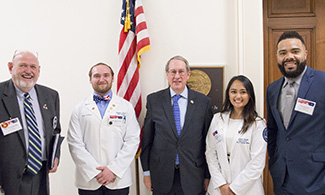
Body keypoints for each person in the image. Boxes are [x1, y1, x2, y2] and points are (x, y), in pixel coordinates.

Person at [140, 55, 213, 195]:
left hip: (193, 175)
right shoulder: (154, 100)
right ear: (167, 75)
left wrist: (207, 175)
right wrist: (146, 173)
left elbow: (208, 143)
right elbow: (147, 141)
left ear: (188, 75)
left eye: (181, 72)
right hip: (161, 175)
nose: (177, 76)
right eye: (173, 72)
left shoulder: (203, 103)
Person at [67, 62, 140, 195]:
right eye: (97, 76)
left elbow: (132, 140)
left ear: (113, 78)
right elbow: (74, 143)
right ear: (90, 79)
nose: (101, 79)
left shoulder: (126, 107)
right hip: (88, 180)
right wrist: (94, 171)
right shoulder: (79, 109)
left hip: (118, 179)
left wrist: (113, 170)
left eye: (106, 75)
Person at [266, 31, 325, 194]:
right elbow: (273, 130)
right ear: (277, 56)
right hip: (282, 178)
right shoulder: (272, 89)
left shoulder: (322, 82)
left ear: (305, 54)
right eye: (283, 53)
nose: (289, 57)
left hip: (316, 180)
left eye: (295, 51)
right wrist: (275, 162)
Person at [0, 50, 61, 195]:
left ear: (39, 70)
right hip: (5, 179)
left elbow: (55, 130)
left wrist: (56, 155)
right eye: (22, 66)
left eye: (33, 67)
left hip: (40, 177)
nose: (28, 71)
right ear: (10, 67)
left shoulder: (51, 96)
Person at [205, 75, 267, 195]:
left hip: (247, 189)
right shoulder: (218, 119)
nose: (238, 96)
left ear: (250, 95)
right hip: (219, 189)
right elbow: (210, 153)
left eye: (243, 92)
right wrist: (222, 185)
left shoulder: (258, 124)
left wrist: (234, 189)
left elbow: (257, 164)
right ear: (228, 94)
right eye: (233, 92)